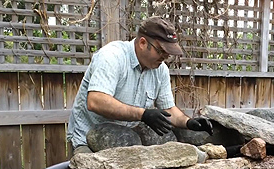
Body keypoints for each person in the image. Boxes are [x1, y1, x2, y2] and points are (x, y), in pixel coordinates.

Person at [66, 16, 213, 152]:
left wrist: (189, 122)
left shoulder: (160, 70)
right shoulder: (112, 56)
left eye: (168, 54)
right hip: (87, 141)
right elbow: (96, 101)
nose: (165, 57)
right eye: (161, 51)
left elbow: (169, 109)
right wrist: (142, 114)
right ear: (142, 43)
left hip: (125, 145)